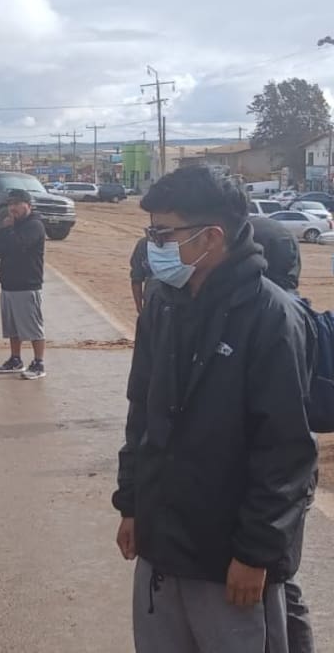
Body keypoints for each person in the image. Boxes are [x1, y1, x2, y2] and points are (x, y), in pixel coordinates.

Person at [113, 167, 316, 653]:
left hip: (229, 562)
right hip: (162, 546)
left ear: (211, 237)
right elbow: (142, 412)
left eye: (164, 234)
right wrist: (131, 505)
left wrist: (255, 553)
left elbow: (285, 452)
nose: (153, 247)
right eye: (151, 233)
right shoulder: (163, 305)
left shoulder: (271, 318)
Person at [248, 213, 312, 653]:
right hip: (289, 477)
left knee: (277, 583)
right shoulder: (294, 310)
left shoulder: (275, 318)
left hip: (279, 479)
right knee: (282, 583)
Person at [0, 189, 48, 380]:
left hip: (27, 285)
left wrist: (8, 230)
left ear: (28, 205)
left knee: (32, 327)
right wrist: (4, 230)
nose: (12, 208)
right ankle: (15, 359)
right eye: (10, 204)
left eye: (16, 204)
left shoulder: (34, 225)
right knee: (12, 328)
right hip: (8, 284)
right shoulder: (9, 226)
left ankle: (38, 363)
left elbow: (18, 246)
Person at [129, 236, 159, 314]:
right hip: (152, 303)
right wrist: (139, 308)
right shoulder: (144, 244)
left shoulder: (183, 243)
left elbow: (136, 278)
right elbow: (136, 278)